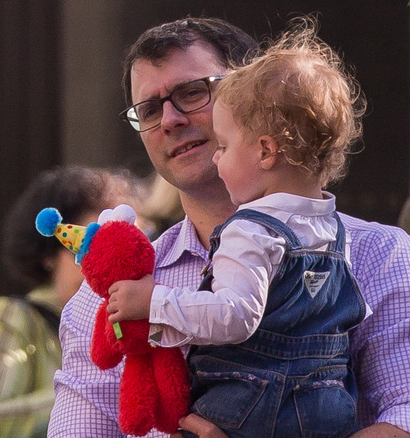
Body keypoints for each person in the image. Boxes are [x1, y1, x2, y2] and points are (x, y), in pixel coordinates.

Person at [48, 17, 410, 438]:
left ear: (256, 99)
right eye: (148, 109)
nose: (169, 120)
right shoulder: (104, 300)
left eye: (192, 92)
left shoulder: (380, 255)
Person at [0, 165, 140, 437]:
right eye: (90, 247)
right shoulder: (15, 315)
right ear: (48, 253)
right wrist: (87, 392)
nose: (108, 263)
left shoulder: (137, 316)